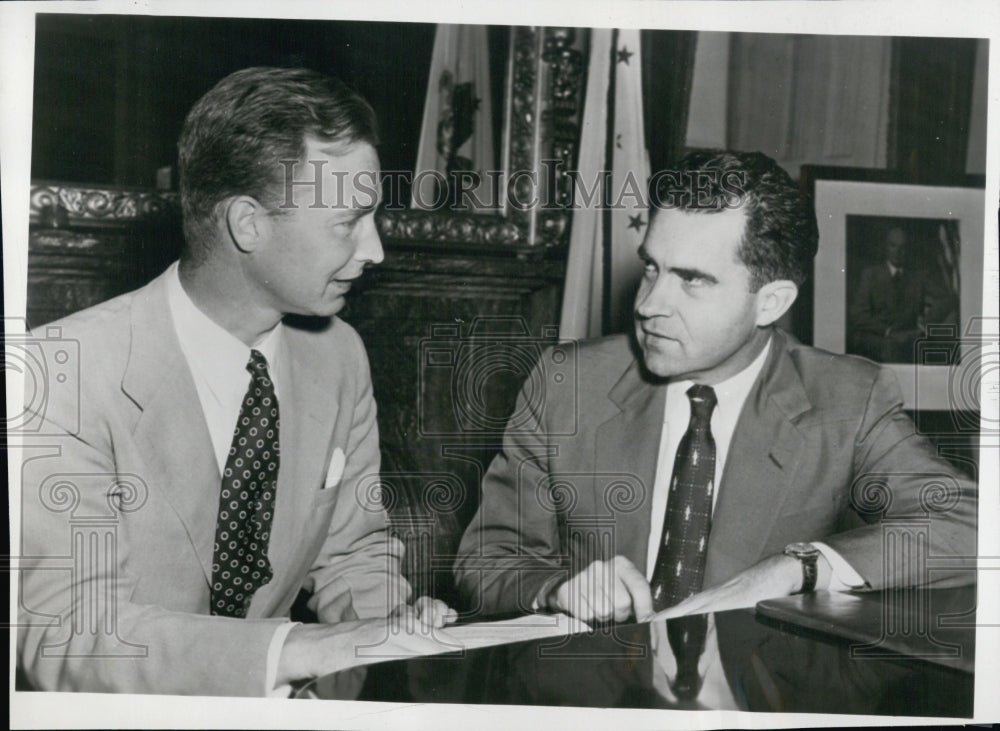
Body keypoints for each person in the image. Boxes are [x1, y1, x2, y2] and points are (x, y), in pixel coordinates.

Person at [454, 149, 976, 702]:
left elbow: (969, 525)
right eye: (651, 267)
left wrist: (796, 568)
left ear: (770, 302)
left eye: (693, 280)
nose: (651, 304)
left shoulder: (845, 400)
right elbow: (485, 558)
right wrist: (557, 588)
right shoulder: (569, 384)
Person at [17, 67, 454, 697]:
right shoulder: (62, 374)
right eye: (348, 222)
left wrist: (390, 622)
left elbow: (353, 553)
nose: (375, 251)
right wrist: (293, 648)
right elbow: (68, 634)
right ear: (247, 224)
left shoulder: (339, 357)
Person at [848, 224, 954, 363]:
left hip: (910, 337)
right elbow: (858, 315)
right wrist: (887, 331)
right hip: (880, 338)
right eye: (893, 246)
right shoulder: (871, 275)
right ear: (886, 247)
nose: (898, 252)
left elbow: (946, 299)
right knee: (890, 350)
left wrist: (925, 324)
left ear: (908, 250)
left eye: (903, 247)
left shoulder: (918, 276)